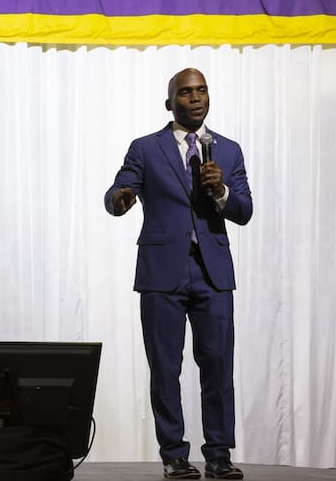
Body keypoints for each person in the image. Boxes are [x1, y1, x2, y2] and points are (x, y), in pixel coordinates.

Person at [105, 68, 253, 480]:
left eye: (202, 90)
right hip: (161, 274)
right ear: (170, 102)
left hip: (212, 274)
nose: (196, 97)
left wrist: (222, 192)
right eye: (185, 92)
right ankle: (174, 455)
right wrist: (122, 198)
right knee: (165, 368)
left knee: (219, 367)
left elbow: (244, 210)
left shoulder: (228, 150)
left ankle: (219, 455)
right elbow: (117, 192)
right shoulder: (145, 148)